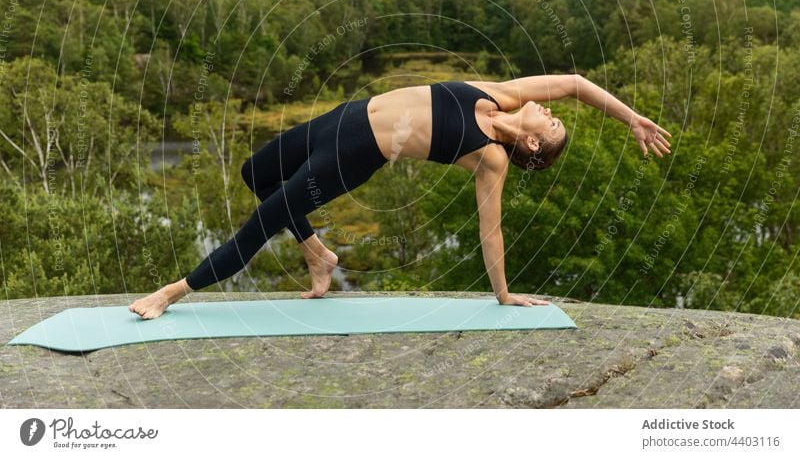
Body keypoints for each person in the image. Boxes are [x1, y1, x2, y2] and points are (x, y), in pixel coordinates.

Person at [129, 74, 671, 319]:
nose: (550, 111)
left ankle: (171, 293)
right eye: (552, 116)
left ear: (531, 142)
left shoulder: (491, 157)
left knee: (264, 219)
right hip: (341, 118)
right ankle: (320, 256)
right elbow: (576, 83)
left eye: (549, 125)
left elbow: (491, 228)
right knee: (255, 173)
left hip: (349, 157)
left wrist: (504, 295)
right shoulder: (505, 95)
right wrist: (631, 119)